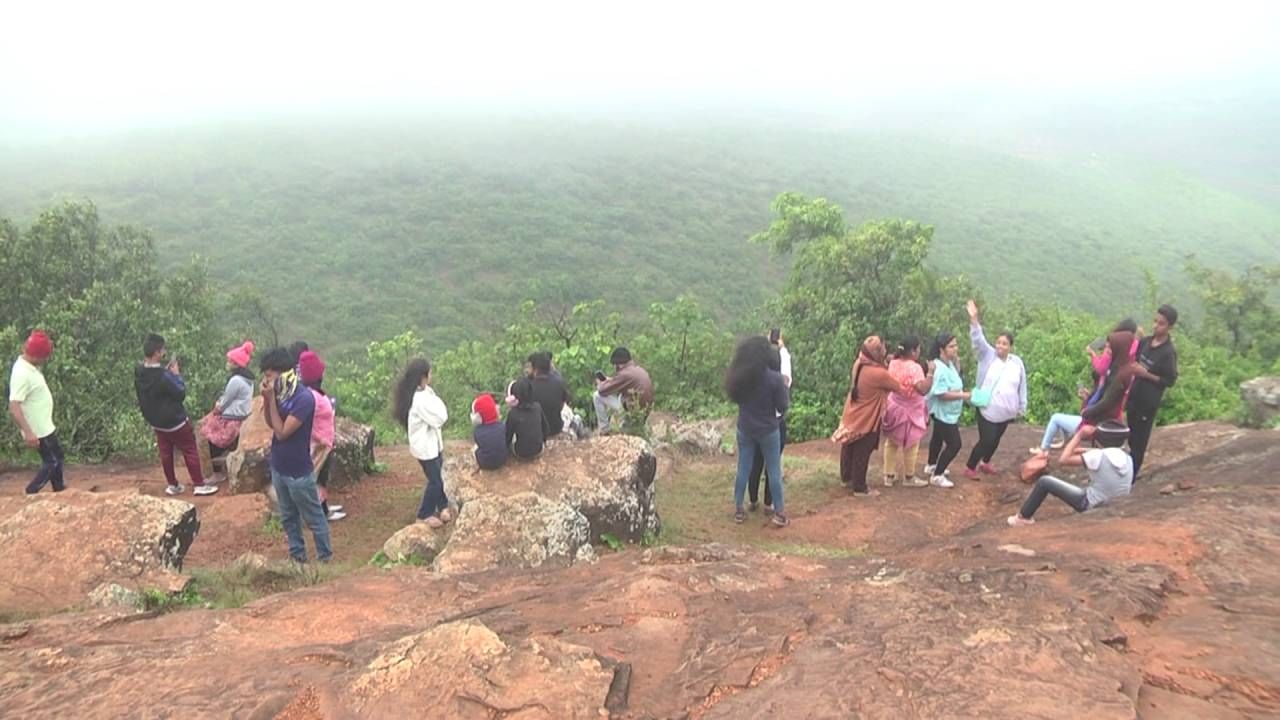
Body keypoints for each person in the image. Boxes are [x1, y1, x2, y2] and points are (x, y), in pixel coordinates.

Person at [260, 347, 331, 562]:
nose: (266, 380)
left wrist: (271, 399)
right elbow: (270, 423)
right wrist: (267, 399)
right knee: (289, 516)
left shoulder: (303, 399)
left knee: (313, 517)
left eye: (269, 375)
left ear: (283, 373)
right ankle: (297, 556)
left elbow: (282, 433)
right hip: (279, 466)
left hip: (298, 471)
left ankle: (324, 558)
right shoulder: (283, 393)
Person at [134, 334, 218, 496]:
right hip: (175, 421)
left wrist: (167, 375)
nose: (164, 352)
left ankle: (173, 485)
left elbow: (153, 388)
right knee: (189, 449)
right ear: (158, 352)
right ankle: (199, 484)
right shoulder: (164, 376)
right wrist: (176, 375)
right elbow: (180, 393)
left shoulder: (140, 372)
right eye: (163, 349)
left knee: (165, 453)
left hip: (156, 421)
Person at [1033, 330, 1137, 456]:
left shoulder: (1118, 375)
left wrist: (1087, 412)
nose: (1107, 350)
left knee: (1055, 418)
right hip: (1106, 420)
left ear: (1119, 348)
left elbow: (1107, 402)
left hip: (1098, 422)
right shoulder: (1119, 369)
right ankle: (1064, 442)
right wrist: (1089, 398)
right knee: (1065, 419)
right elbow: (1105, 397)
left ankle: (1043, 450)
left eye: (1110, 347)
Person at [1008, 420, 1132, 525]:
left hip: (1090, 503)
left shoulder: (1096, 456)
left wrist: (1079, 435)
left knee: (1045, 481)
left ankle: (1023, 518)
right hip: (1119, 503)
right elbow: (1093, 452)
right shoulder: (1128, 458)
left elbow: (1063, 459)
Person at [726, 336, 790, 526]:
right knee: (773, 471)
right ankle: (779, 513)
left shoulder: (740, 378)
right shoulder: (774, 379)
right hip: (769, 430)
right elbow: (782, 406)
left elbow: (736, 399)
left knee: (743, 468)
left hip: (745, 428)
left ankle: (739, 509)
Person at [963, 299, 1028, 479]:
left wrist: (1022, 406)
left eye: (1004, 344)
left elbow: (1022, 385)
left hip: (1006, 410)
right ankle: (970, 466)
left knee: (996, 440)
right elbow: (978, 339)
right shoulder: (987, 355)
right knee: (987, 439)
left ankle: (986, 462)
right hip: (986, 407)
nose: (1000, 346)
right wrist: (974, 320)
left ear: (1011, 347)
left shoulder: (1017, 363)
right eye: (998, 342)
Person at [832, 336, 903, 497]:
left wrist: (885, 362)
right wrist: (891, 365)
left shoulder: (859, 363)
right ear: (877, 352)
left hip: (853, 412)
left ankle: (847, 478)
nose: (886, 349)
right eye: (883, 347)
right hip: (867, 417)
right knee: (863, 450)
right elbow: (896, 386)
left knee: (849, 445)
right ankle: (860, 487)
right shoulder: (878, 373)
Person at [394, 358, 452, 528]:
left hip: (432, 445)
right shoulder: (420, 400)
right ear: (423, 377)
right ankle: (423, 514)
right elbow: (440, 417)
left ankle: (442, 506)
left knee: (440, 476)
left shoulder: (423, 393)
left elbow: (438, 411)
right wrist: (439, 406)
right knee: (435, 480)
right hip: (426, 449)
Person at [1126, 305, 1178, 481]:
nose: (1156, 326)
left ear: (1170, 327)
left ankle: (1130, 478)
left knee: (1139, 442)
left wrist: (1145, 374)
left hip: (1147, 403)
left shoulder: (1168, 353)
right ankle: (1125, 474)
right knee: (1131, 437)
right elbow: (1133, 358)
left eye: (1161, 323)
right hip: (1134, 396)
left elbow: (1169, 380)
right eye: (1155, 321)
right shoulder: (1145, 342)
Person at [8, 330, 64, 494]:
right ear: (36, 356)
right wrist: (28, 432)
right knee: (51, 462)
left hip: (45, 426)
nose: (45, 360)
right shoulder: (21, 374)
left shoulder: (29, 366)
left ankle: (59, 490)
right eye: (44, 357)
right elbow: (14, 406)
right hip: (37, 430)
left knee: (58, 457)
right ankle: (31, 491)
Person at [201, 340, 255, 485]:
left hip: (231, 418)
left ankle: (217, 473)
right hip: (241, 417)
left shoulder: (235, 380)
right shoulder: (248, 379)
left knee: (211, 434)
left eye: (230, 361)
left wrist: (217, 408)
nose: (228, 363)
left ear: (235, 363)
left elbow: (225, 402)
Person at [881, 336, 933, 487]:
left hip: (894, 406)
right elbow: (922, 389)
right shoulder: (914, 368)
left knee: (891, 442)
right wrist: (930, 373)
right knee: (912, 443)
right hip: (911, 411)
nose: (919, 352)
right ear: (913, 351)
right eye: (918, 349)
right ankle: (909, 477)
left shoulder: (893, 363)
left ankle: (888, 476)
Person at [299, 350, 343, 521]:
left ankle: (323, 507)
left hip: (324, 443)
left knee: (321, 478)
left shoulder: (314, 393)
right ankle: (321, 513)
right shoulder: (312, 396)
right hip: (319, 445)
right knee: (318, 479)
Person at [747, 335, 788, 512]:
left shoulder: (753, 377)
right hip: (774, 425)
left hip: (754, 424)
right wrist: (783, 349)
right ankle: (768, 503)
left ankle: (753, 500)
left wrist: (763, 345)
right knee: (772, 465)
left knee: (755, 462)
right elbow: (787, 370)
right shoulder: (780, 381)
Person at [923, 332, 969, 489]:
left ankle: (931, 465)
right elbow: (941, 394)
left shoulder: (948, 363)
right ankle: (937, 475)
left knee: (937, 437)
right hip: (943, 412)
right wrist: (963, 396)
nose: (955, 349)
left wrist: (956, 363)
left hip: (946, 412)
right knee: (954, 444)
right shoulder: (940, 368)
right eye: (951, 346)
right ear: (942, 349)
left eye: (956, 345)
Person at [593, 347, 654, 433]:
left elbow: (602, 391)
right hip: (643, 411)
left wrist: (600, 383)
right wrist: (610, 380)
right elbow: (623, 382)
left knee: (597, 396)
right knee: (621, 394)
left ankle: (604, 429)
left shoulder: (624, 374)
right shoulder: (638, 370)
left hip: (632, 413)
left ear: (619, 364)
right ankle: (624, 423)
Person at [506, 377, 550, 460]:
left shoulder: (513, 414)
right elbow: (546, 429)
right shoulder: (537, 407)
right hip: (539, 450)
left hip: (520, 453)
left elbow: (508, 437)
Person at [529, 351, 572, 436]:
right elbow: (567, 400)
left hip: (537, 430)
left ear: (535, 369)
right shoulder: (559, 382)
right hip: (556, 428)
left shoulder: (527, 387)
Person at [471, 393, 508, 470]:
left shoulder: (477, 431)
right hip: (503, 460)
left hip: (485, 464)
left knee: (476, 448)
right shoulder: (502, 426)